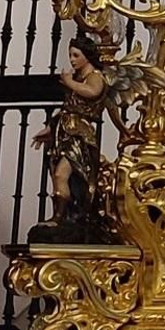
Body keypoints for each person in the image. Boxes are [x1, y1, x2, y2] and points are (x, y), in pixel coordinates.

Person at [30, 34, 107, 237]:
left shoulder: (95, 76)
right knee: (59, 174)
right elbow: (67, 108)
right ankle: (63, 216)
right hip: (64, 131)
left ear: (87, 56)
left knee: (62, 174)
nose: (72, 60)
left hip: (79, 135)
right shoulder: (78, 77)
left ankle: (59, 217)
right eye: (70, 55)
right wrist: (49, 128)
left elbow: (92, 92)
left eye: (76, 55)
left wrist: (69, 82)